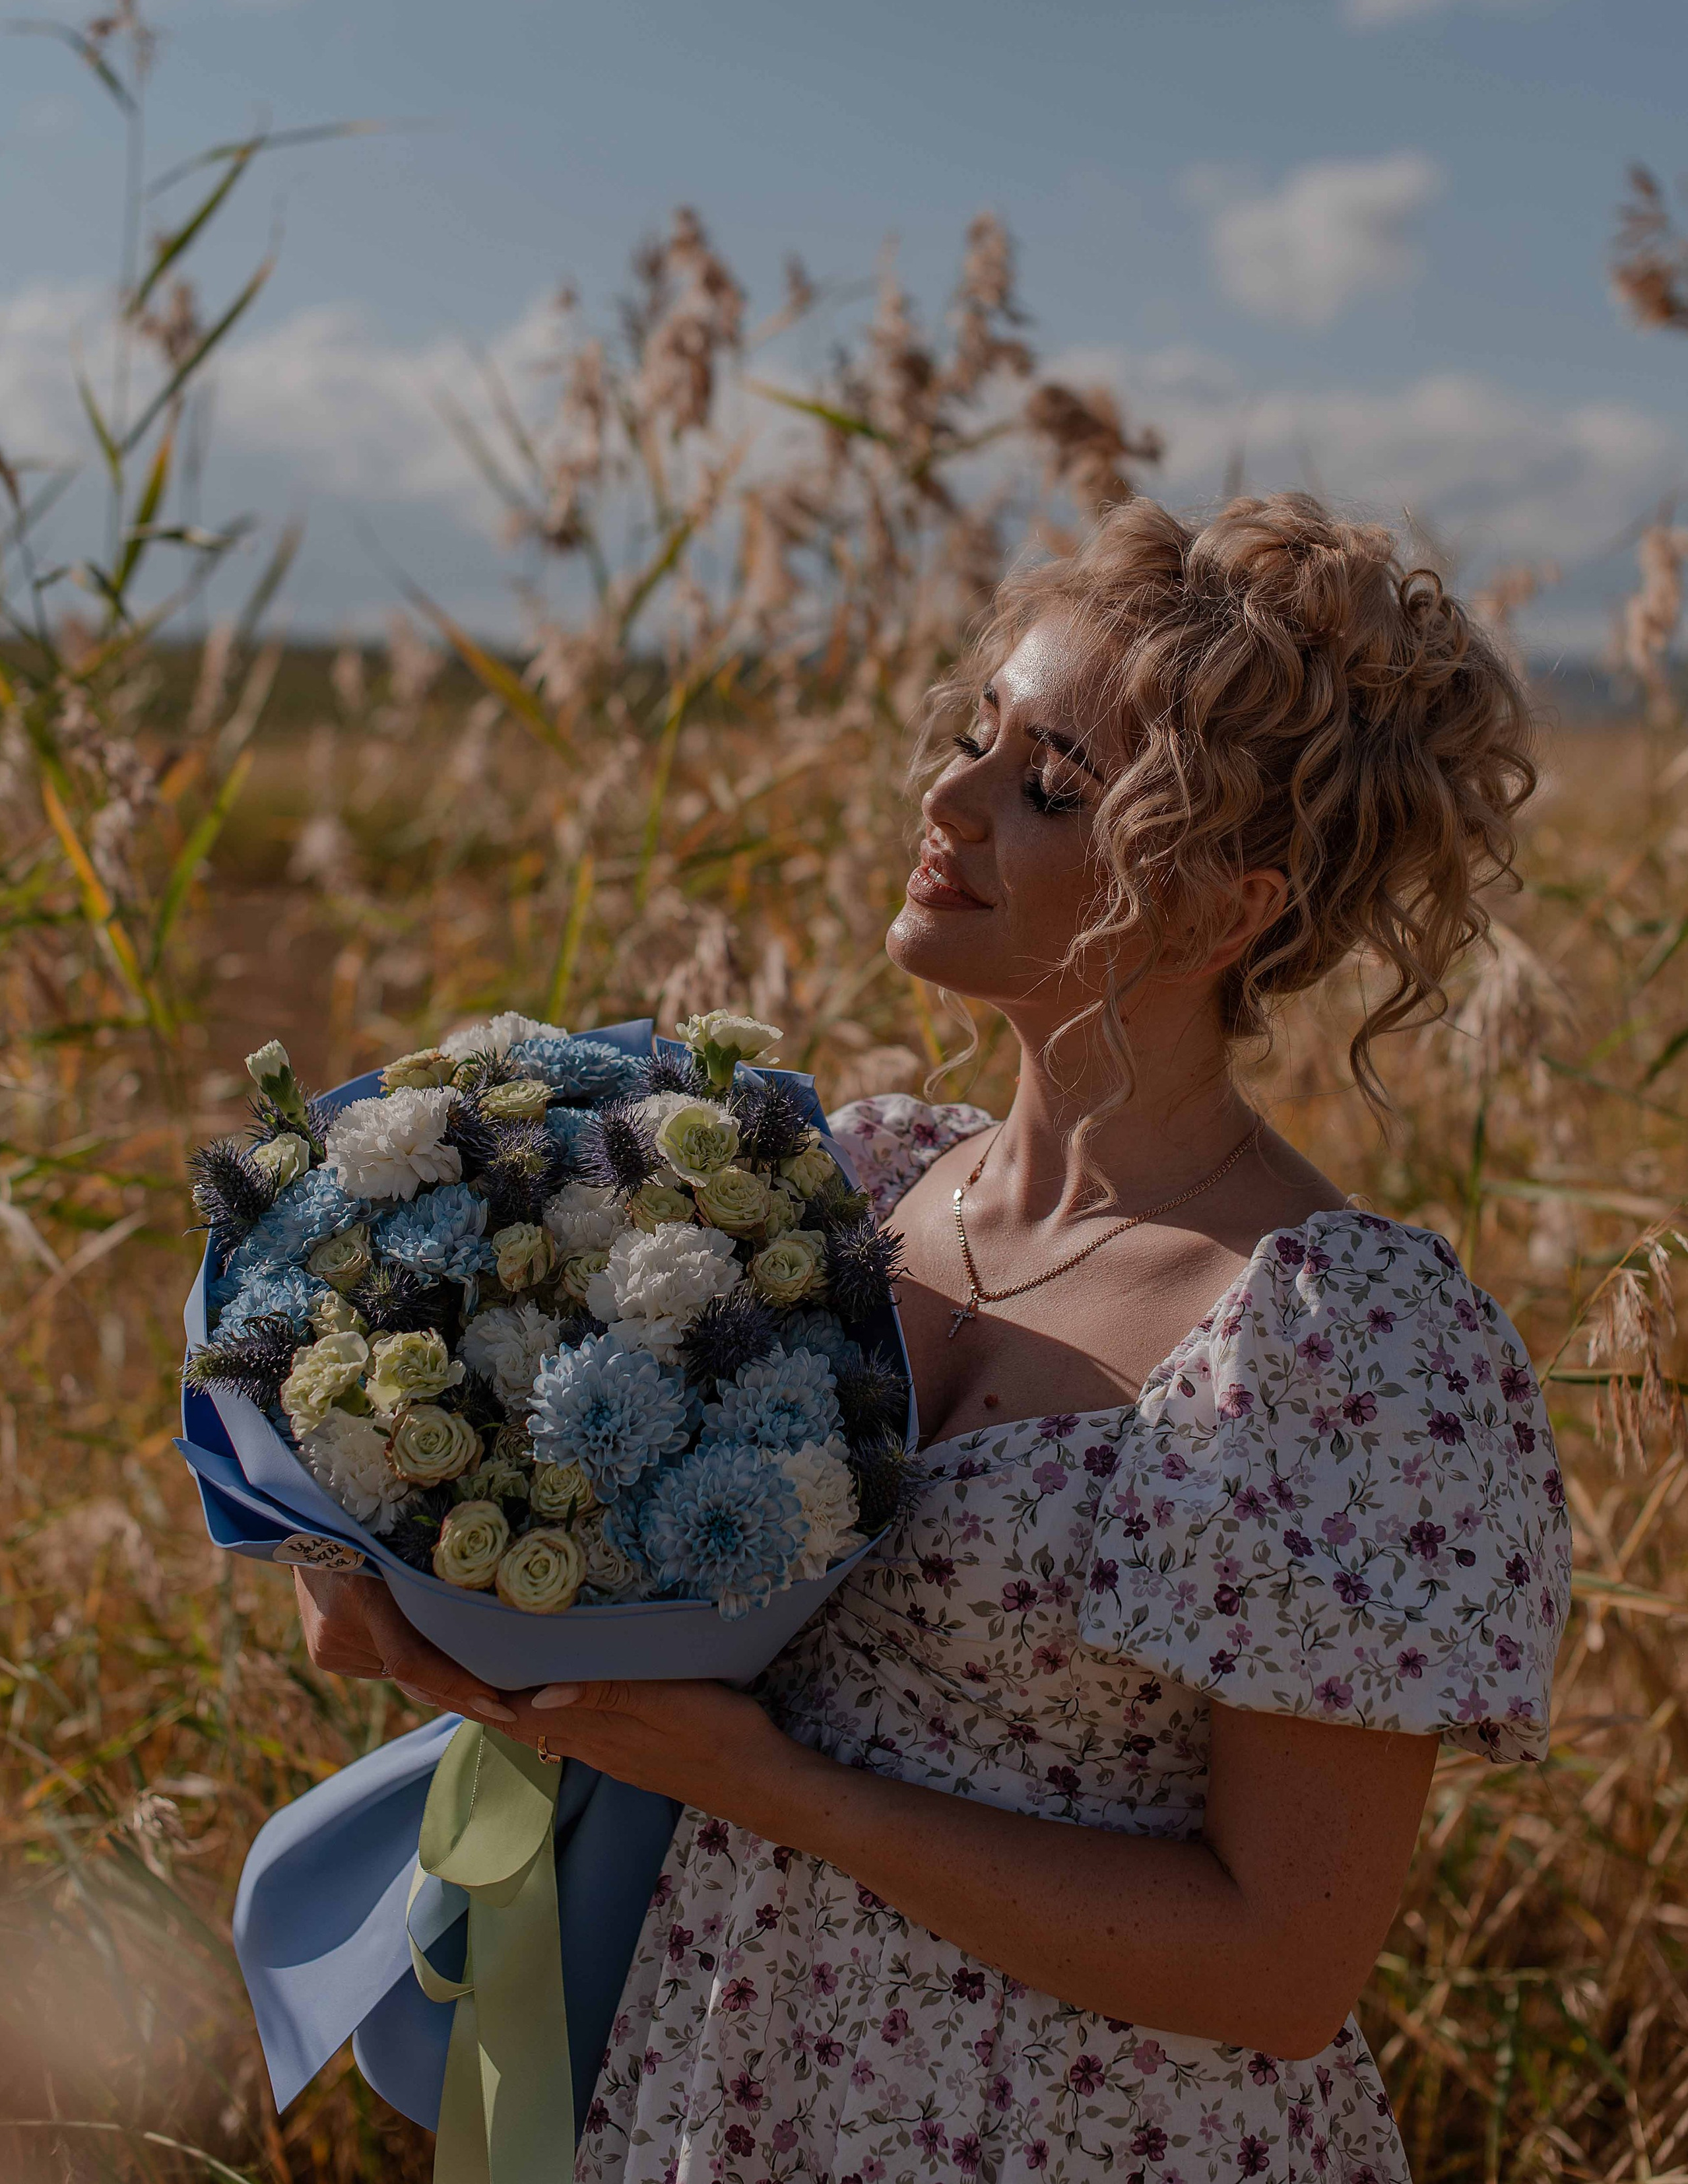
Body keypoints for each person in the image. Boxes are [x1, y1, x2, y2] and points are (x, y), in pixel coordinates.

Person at [296, 492, 1571, 2184]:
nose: (945, 799)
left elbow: (1281, 1968)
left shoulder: (1337, 1348)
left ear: (1226, 906)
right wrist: (381, 1553)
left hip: (1082, 2133)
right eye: (975, 737)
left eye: (1047, 785)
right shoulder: (848, 1187)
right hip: (724, 2076)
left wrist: (772, 1788)